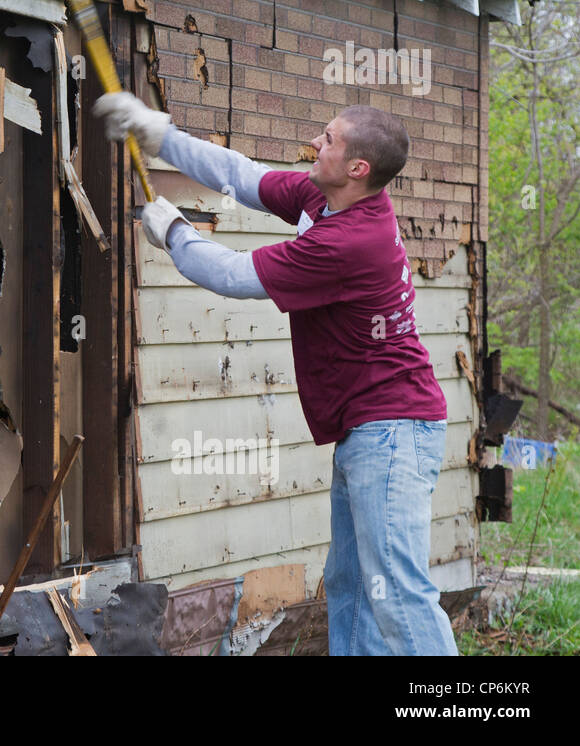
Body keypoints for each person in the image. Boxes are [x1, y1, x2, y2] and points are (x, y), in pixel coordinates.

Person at [95, 91, 458, 656]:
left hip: (393, 432)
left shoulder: (349, 242)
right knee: (354, 586)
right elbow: (242, 176)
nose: (315, 142)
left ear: (357, 168)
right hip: (370, 430)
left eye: (329, 140)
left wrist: (172, 232)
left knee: (397, 596)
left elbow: (236, 275)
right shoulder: (327, 196)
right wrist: (157, 134)